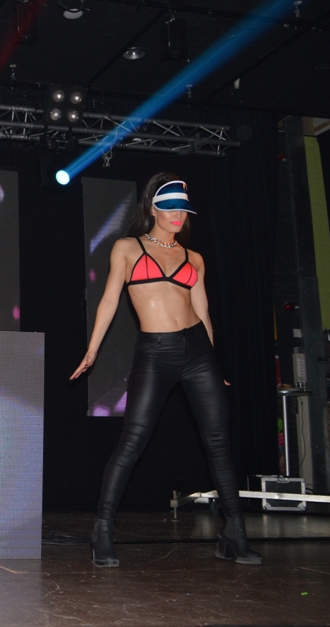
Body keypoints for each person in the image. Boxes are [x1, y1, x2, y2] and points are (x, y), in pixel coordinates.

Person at [70, 173, 261, 567]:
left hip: (198, 351)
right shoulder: (128, 247)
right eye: (170, 208)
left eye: (183, 210)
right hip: (156, 352)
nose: (178, 216)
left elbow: (203, 311)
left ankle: (234, 532)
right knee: (132, 442)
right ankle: (102, 531)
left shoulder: (195, 258)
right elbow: (109, 301)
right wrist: (92, 349)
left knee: (218, 443)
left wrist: (214, 361)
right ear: (152, 208)